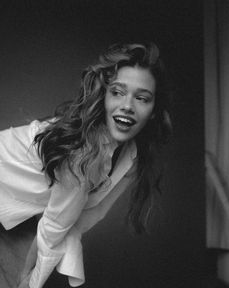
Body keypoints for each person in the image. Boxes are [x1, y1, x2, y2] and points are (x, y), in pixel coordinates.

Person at [0, 42, 172, 288]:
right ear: (103, 96)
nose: (127, 105)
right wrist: (31, 282)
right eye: (117, 92)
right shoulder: (82, 153)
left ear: (154, 110)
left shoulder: (131, 157)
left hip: (21, 214)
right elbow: (54, 229)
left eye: (142, 98)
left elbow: (92, 214)